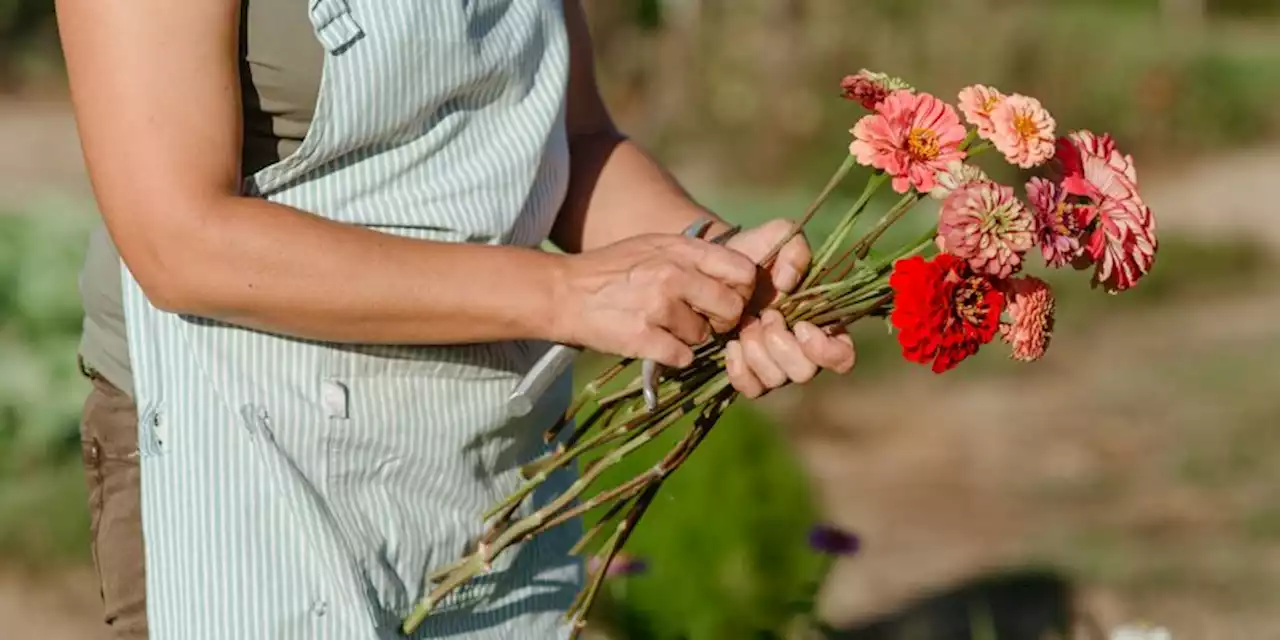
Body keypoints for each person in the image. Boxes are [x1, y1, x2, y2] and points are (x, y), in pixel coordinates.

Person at [56, 0, 857, 638]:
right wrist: (563, 293)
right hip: (237, 445)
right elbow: (179, 241)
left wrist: (712, 264)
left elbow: (570, 139)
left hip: (487, 459)